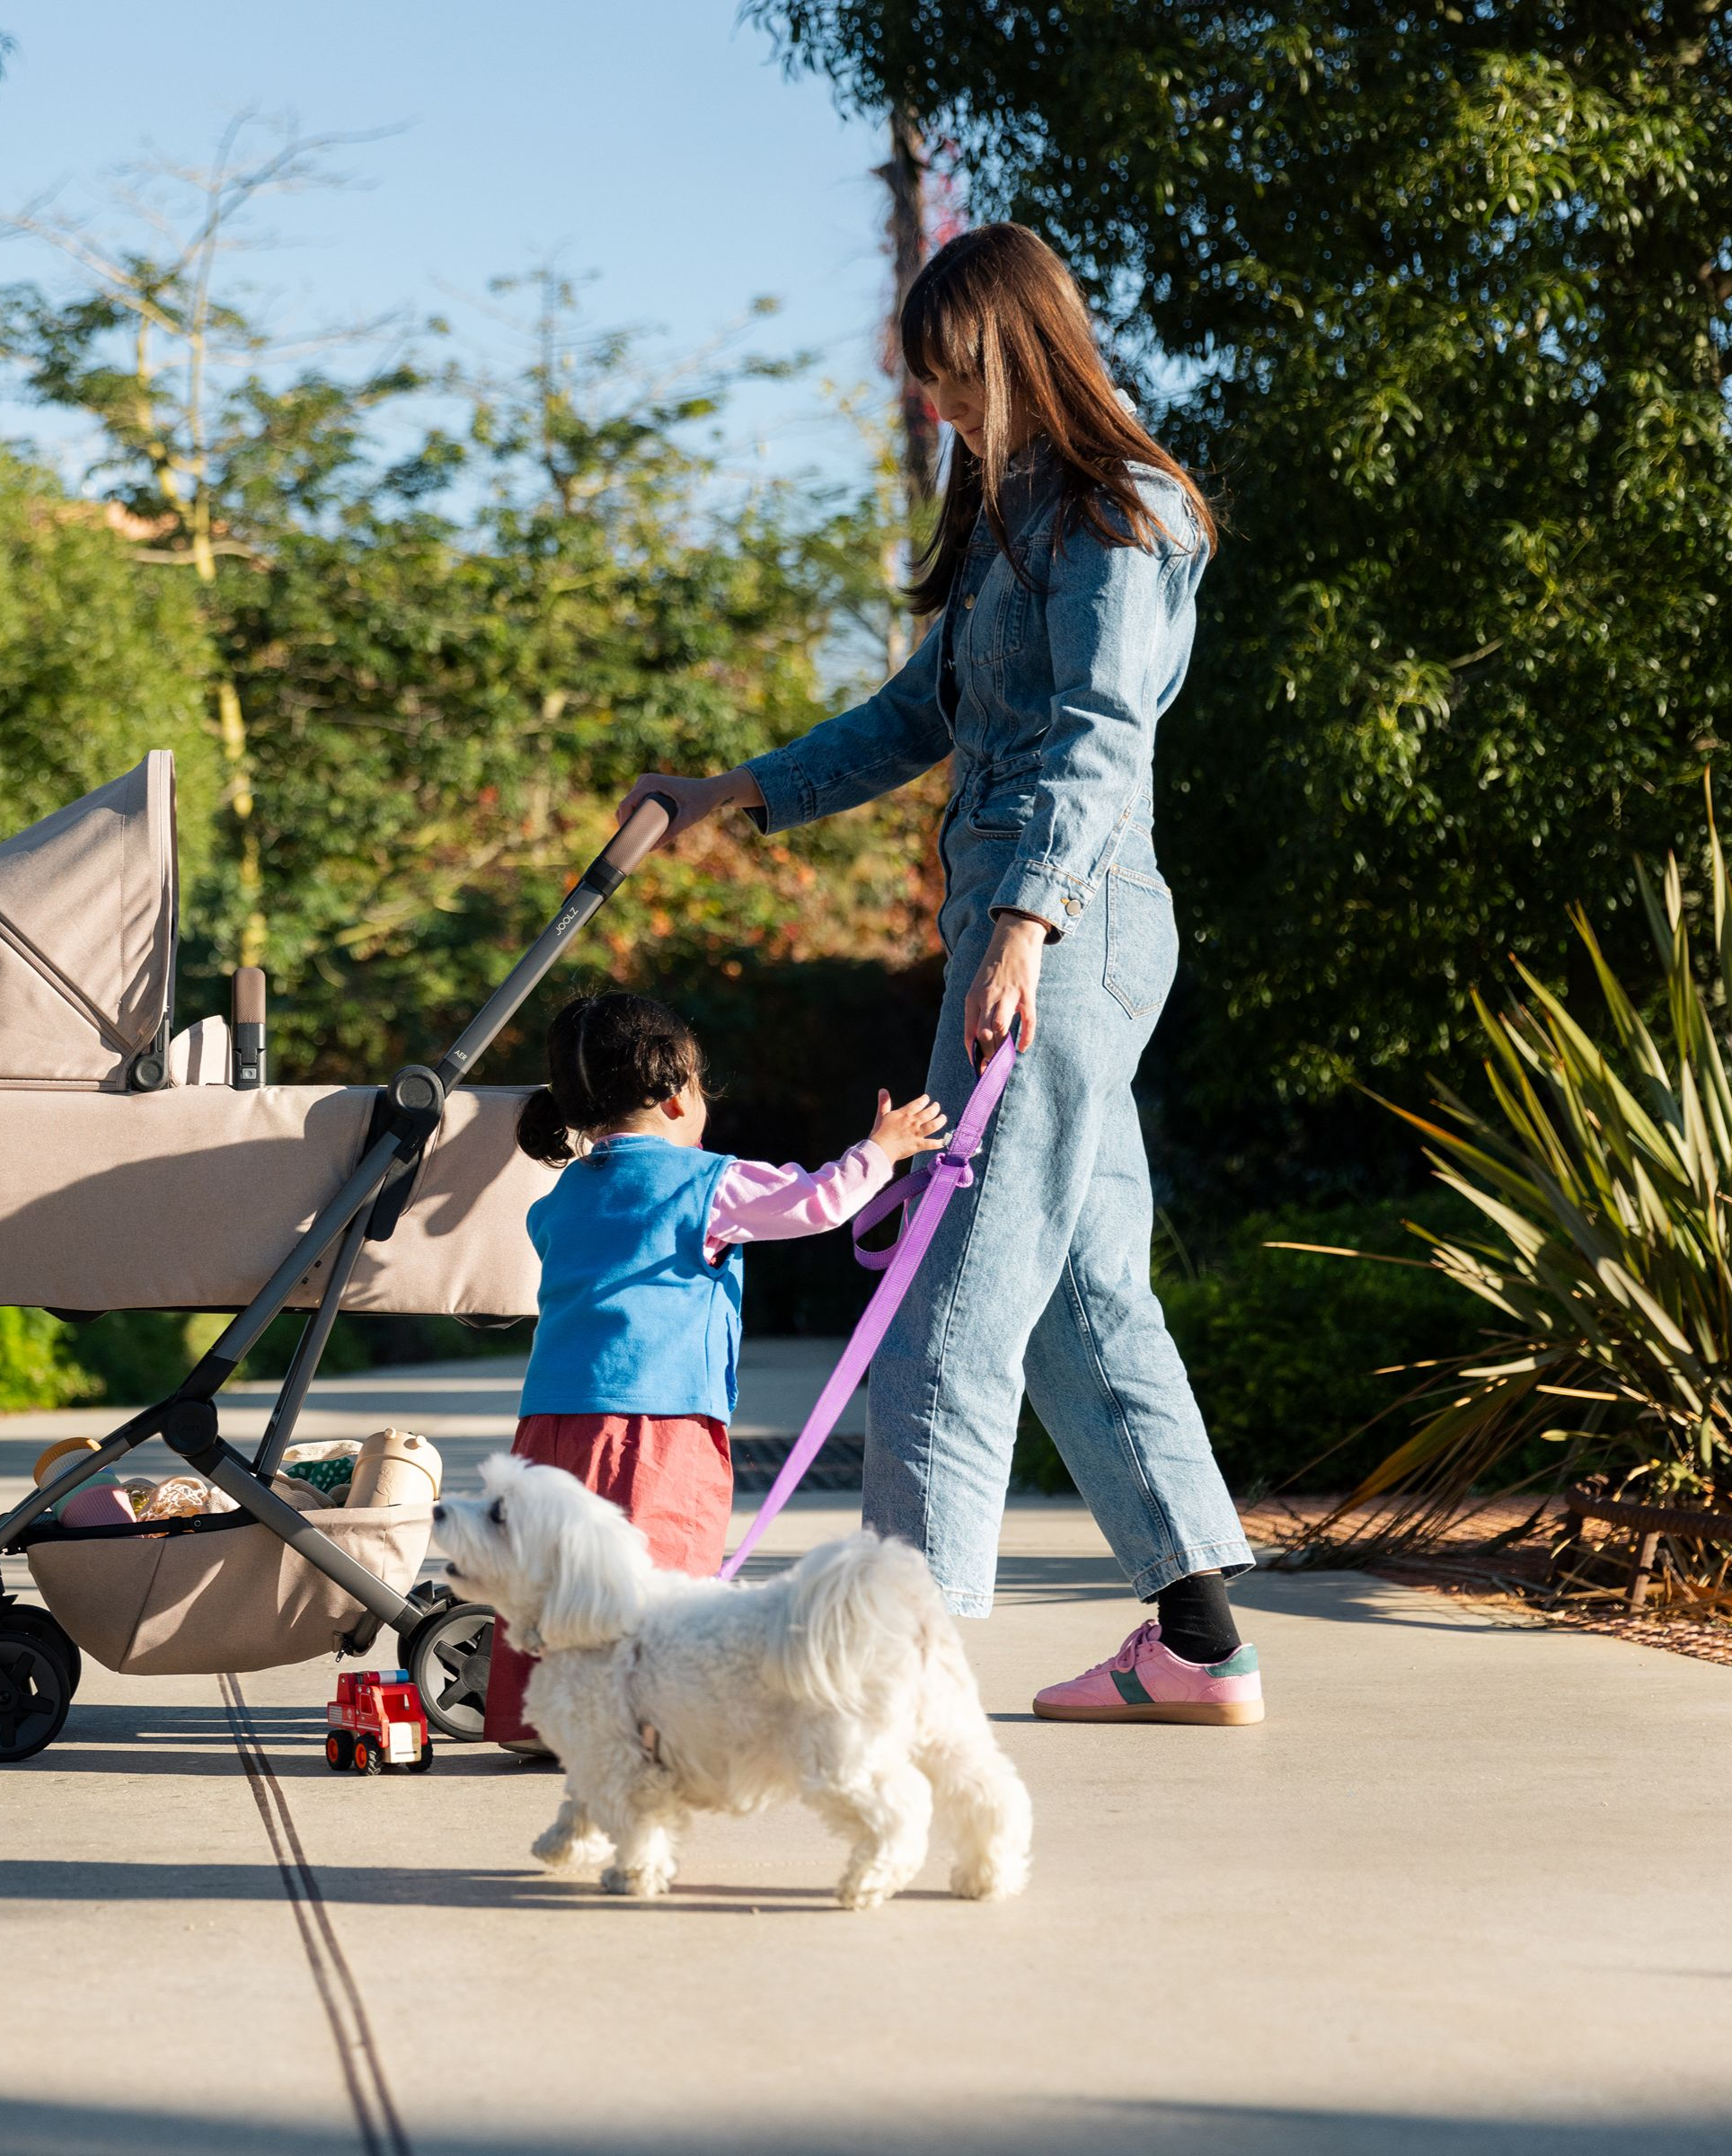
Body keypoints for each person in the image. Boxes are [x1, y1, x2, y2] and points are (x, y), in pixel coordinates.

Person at [616, 224, 1263, 1727]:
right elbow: (922, 713)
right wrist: (733, 790)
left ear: (1023, 349)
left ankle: (890, 1669)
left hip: (1067, 922)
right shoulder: (1011, 518)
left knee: (950, 1284)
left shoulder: (1118, 511)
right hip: (1026, 926)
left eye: (960, 378)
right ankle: (1199, 1641)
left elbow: (1101, 732)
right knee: (1081, 1291)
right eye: (931, 386)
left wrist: (1026, 926)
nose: (945, 411)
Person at [484, 991, 948, 1753]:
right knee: (659, 1571)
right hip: (657, 1420)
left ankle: (542, 1715)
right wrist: (882, 1149)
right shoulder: (707, 1183)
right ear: (675, 1096)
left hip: (551, 1422)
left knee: (553, 1568)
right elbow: (818, 1202)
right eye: (702, 1087)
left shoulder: (562, 1197)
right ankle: (651, 1717)